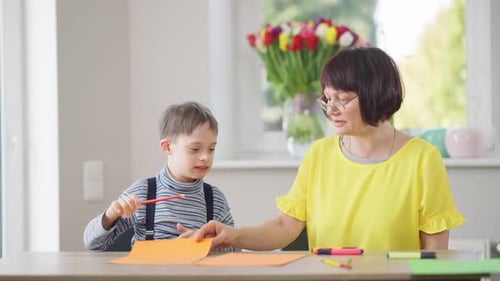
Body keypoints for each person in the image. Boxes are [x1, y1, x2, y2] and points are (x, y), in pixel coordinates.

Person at [186, 47, 465, 251]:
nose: (331, 109)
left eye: (342, 99)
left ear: (376, 95)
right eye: (327, 98)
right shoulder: (319, 155)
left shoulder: (422, 159)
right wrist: (233, 235)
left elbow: (435, 247)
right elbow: (285, 228)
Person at [83, 101, 237, 251]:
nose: (205, 157)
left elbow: (234, 248)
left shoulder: (215, 199)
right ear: (168, 147)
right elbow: (92, 243)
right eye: (195, 149)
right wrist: (110, 216)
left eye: (211, 149)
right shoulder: (142, 192)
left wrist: (207, 243)